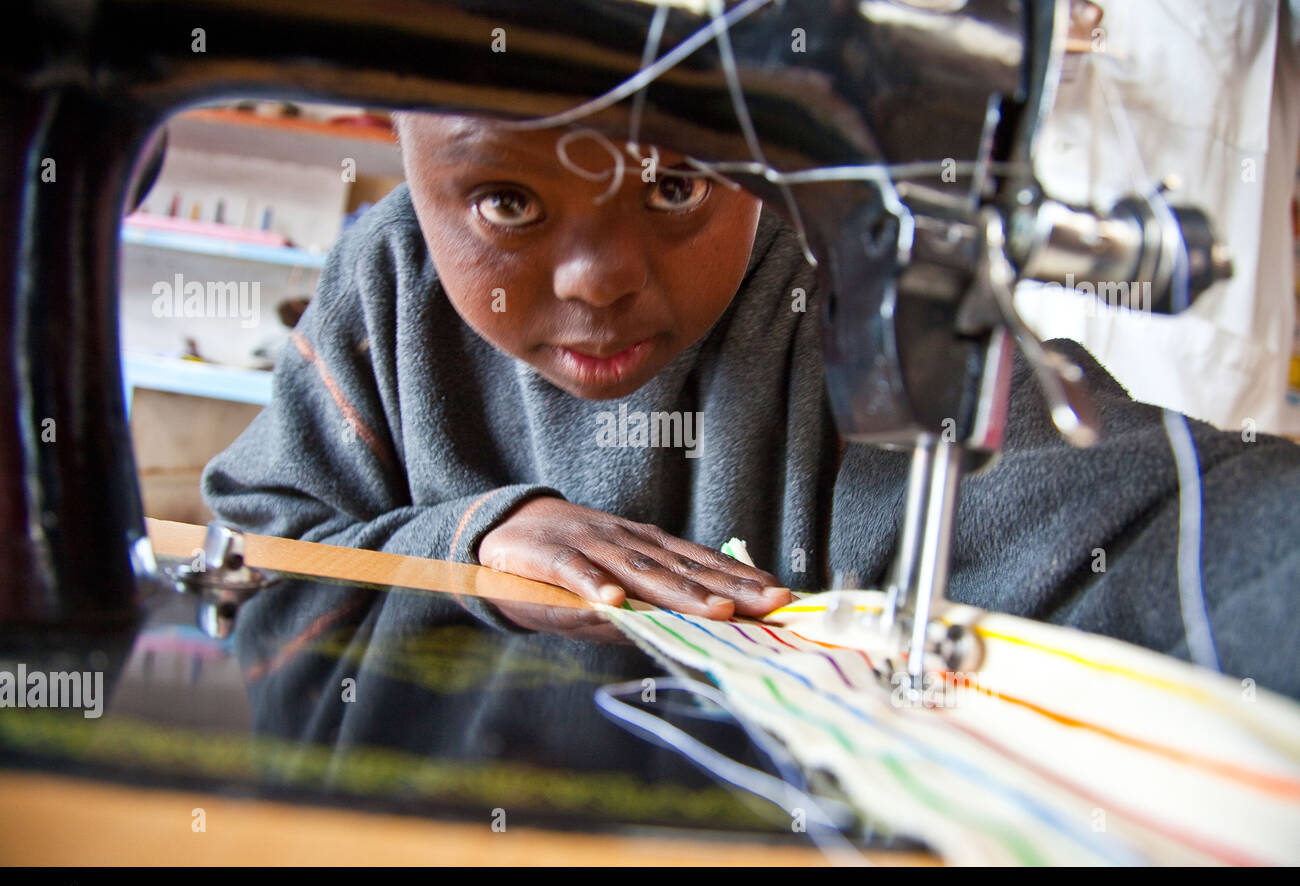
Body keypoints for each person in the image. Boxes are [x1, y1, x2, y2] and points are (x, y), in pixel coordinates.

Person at [202, 112, 1300, 697]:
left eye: (674, 184)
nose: (597, 277)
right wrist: (469, 540)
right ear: (389, 124)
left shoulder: (834, 291)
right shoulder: (386, 287)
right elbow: (252, 546)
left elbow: (1156, 520)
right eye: (507, 199)